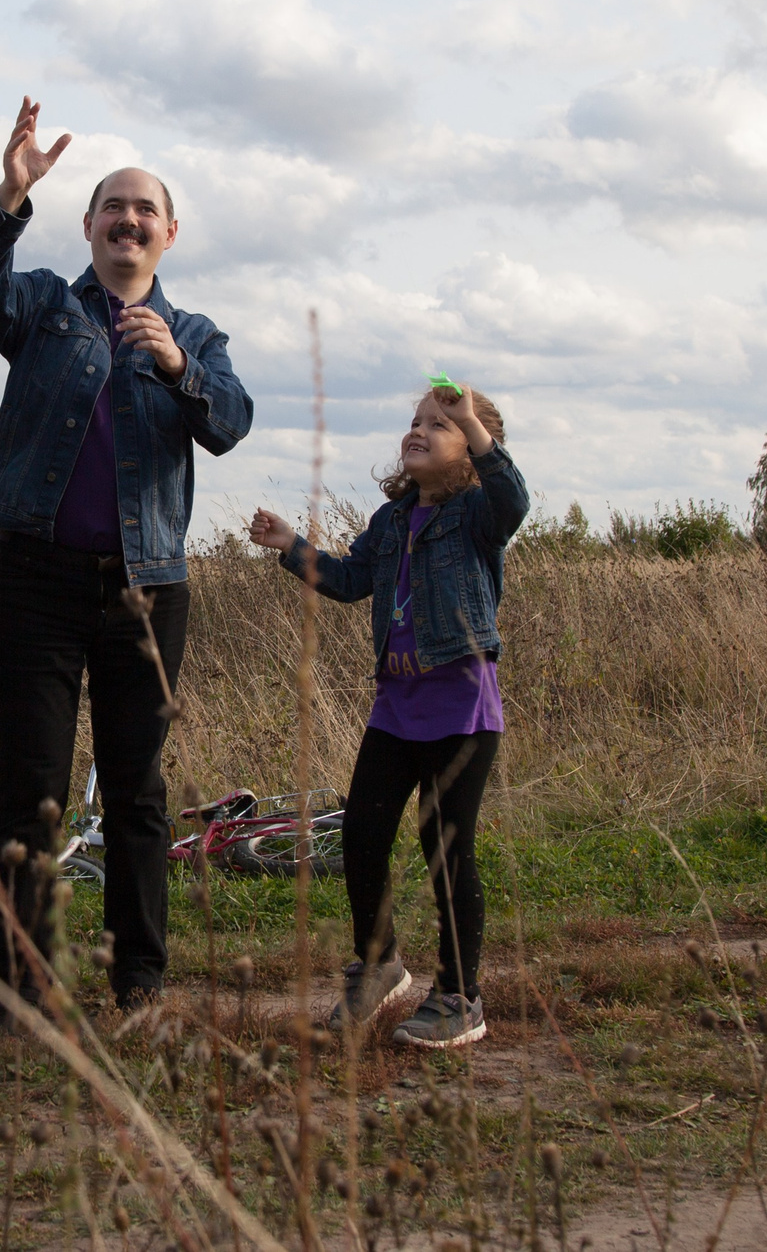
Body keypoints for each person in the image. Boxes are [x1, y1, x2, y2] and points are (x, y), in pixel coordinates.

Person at [0, 97, 253, 1014]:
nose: (128, 221)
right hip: (34, 579)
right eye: (111, 209)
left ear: (168, 232)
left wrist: (178, 369)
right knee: (31, 788)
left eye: (144, 210)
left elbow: (231, 423)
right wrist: (8, 198)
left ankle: (139, 979)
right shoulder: (46, 306)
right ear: (87, 227)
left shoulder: (197, 334)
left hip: (148, 589)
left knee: (136, 789)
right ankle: (25, 987)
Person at [248, 382, 525, 1050]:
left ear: (471, 451)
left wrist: (474, 426)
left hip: (461, 707)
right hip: (396, 710)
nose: (423, 429)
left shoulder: (478, 512)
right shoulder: (393, 520)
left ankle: (461, 995)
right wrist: (292, 545)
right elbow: (348, 580)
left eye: (443, 423)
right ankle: (381, 964)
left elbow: (514, 498)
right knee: (363, 835)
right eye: (417, 421)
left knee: (445, 847)